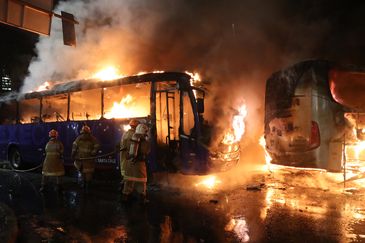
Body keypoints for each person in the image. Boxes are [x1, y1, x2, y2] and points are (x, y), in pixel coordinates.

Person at [122, 123, 150, 204]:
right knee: (141, 182)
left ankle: (125, 197)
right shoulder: (145, 141)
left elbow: (124, 148)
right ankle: (142, 198)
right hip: (139, 165)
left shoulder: (129, 137)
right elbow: (146, 151)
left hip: (129, 163)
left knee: (128, 181)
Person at [71, 125, 99, 191]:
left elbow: (74, 147)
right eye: (84, 133)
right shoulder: (91, 139)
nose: (85, 135)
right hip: (85, 160)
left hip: (84, 160)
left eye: (85, 133)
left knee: (85, 173)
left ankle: (85, 186)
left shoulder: (80, 138)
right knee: (87, 173)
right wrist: (94, 152)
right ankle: (86, 186)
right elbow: (97, 146)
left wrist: (73, 155)